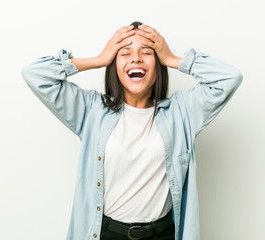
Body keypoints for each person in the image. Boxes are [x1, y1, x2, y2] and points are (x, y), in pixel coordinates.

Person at [21, 21, 243, 240]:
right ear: (114, 65)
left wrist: (172, 59)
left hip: (162, 234)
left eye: (147, 52)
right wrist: (98, 59)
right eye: (124, 53)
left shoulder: (182, 112)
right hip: (107, 234)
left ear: (158, 65)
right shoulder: (91, 111)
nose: (136, 58)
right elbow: (35, 74)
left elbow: (229, 78)